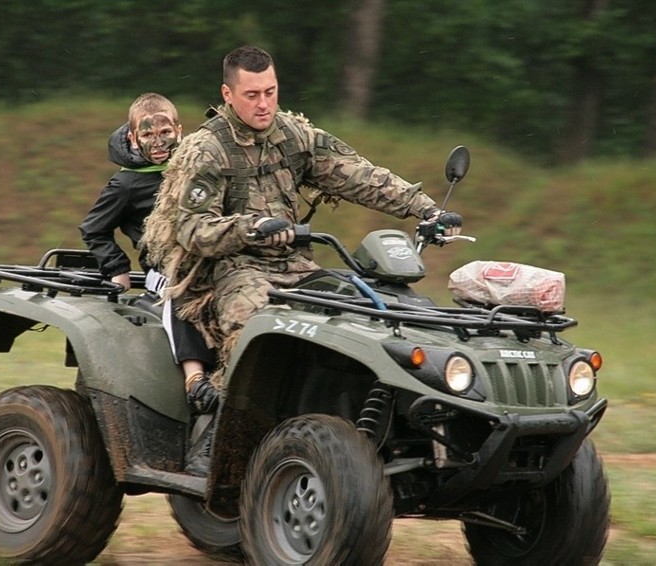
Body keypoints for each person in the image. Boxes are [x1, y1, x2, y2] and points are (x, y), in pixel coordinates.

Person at [144, 47, 462, 472]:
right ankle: (216, 435)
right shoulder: (207, 149)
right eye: (252, 94)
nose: (263, 104)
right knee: (255, 326)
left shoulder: (294, 135)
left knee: (373, 311)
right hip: (230, 269)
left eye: (271, 92)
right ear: (228, 93)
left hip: (297, 266)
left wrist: (426, 209)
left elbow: (358, 174)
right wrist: (249, 228)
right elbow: (191, 228)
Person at [79, 93, 218, 415]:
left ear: (179, 131)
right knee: (182, 289)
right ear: (132, 137)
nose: (158, 143)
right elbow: (93, 228)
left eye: (165, 133)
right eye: (147, 135)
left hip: (210, 262)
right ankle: (194, 377)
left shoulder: (196, 169)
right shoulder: (127, 184)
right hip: (167, 275)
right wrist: (116, 268)